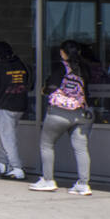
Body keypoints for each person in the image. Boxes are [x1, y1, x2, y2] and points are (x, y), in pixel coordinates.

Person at [31, 40, 94, 195]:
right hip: (82, 112)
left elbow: (52, 86)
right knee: (81, 149)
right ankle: (83, 184)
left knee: (47, 144)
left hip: (59, 112)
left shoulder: (61, 67)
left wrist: (44, 90)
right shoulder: (84, 68)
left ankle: (48, 180)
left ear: (63, 52)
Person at [0, 41, 31, 180]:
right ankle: (3, 164)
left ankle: (17, 168)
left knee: (7, 138)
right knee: (4, 136)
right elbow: (31, 83)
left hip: (4, 106)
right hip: (20, 105)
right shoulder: (23, 66)